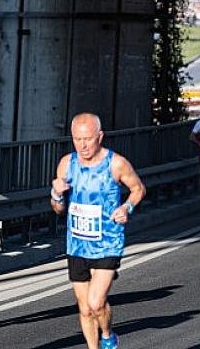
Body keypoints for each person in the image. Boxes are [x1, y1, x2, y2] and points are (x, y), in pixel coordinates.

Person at [50, 113, 146, 349]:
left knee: (95, 302)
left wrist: (127, 207)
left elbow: (138, 188)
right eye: (77, 139)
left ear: (100, 136)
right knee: (84, 308)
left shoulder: (116, 163)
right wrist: (56, 194)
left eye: (88, 139)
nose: (82, 145)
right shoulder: (67, 164)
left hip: (108, 242)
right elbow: (58, 209)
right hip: (77, 244)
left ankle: (107, 335)